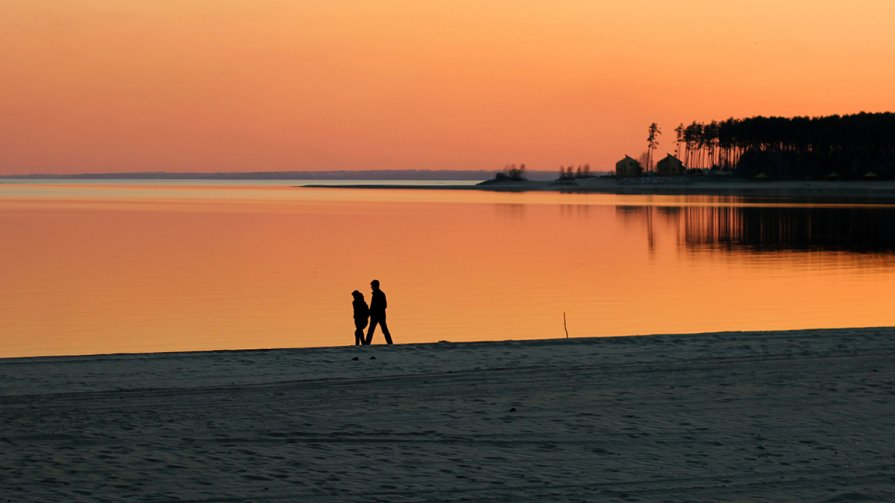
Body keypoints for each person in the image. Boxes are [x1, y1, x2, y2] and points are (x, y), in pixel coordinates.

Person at [364, 279, 393, 344]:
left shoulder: (379, 294)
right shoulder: (378, 294)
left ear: (375, 286)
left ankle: (367, 344)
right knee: (380, 330)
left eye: (372, 286)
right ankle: (390, 343)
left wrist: (373, 311)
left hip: (378, 316)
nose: (371, 287)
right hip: (378, 315)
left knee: (374, 330)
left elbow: (384, 305)